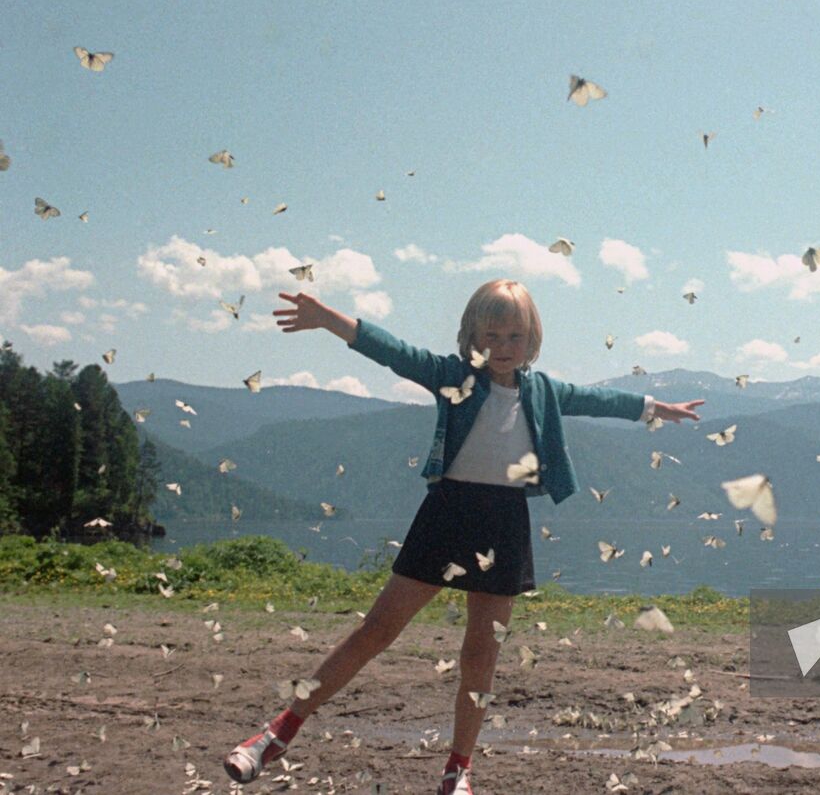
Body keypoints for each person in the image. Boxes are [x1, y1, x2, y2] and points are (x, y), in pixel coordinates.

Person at [223, 278, 704, 795]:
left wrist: (657, 409)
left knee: (482, 653)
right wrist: (329, 319)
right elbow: (394, 352)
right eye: (490, 335)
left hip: (505, 521)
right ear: (471, 336)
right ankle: (277, 732)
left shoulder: (543, 391)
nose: (501, 347)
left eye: (514, 337)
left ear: (532, 340)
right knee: (377, 630)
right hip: (448, 512)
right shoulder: (452, 376)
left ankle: (459, 770)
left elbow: (601, 399)